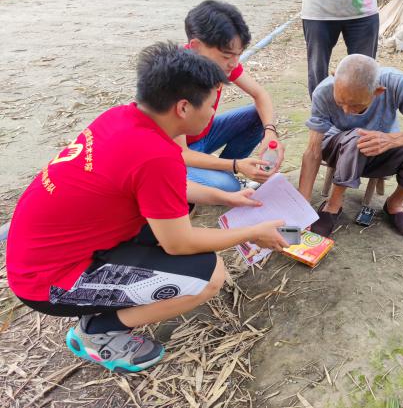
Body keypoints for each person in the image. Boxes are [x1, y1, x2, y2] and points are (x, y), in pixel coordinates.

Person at [6, 42, 289, 373]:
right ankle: (98, 331)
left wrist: (227, 198)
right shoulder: (157, 156)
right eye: (211, 106)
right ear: (183, 108)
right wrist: (254, 232)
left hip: (42, 252)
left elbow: (166, 192)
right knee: (210, 276)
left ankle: (100, 299)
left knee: (178, 225)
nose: (213, 114)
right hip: (46, 281)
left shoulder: (120, 117)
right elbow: (178, 242)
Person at [298, 54, 403, 238]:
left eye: (356, 105)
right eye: (340, 102)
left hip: (382, 151)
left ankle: (394, 204)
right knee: (358, 137)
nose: (346, 111)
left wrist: (392, 140)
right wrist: (302, 206)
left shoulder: (396, 83)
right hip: (337, 150)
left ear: (378, 91)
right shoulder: (323, 91)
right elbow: (313, 151)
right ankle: (333, 204)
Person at [180, 0, 285, 192]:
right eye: (227, 56)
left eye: (238, 54)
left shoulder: (220, 63)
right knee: (229, 186)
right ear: (195, 46)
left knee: (257, 116)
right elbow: (181, 153)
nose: (233, 63)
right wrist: (237, 165)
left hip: (204, 135)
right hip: (177, 153)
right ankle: (203, 179)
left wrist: (270, 132)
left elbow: (260, 95)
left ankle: (216, 171)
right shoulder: (177, 78)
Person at [287, 0, 380, 97]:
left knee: (364, 74)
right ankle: (321, 116)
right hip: (318, 10)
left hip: (362, 9)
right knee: (317, 73)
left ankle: (361, 115)